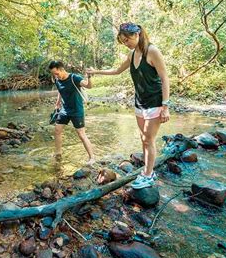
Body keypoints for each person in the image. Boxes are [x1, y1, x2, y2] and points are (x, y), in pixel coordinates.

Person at [87, 22, 170, 189]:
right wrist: (96, 72)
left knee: (149, 139)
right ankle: (148, 170)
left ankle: (148, 174)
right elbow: (117, 71)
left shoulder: (152, 51)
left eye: (128, 39)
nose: (126, 43)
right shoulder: (132, 54)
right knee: (143, 139)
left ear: (137, 34)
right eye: (123, 41)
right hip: (140, 102)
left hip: (154, 102)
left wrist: (165, 106)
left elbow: (165, 78)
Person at [48, 60, 96, 165]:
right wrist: (57, 103)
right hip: (64, 110)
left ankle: (92, 157)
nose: (55, 76)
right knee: (57, 130)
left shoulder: (74, 78)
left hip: (76, 110)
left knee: (81, 134)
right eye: (53, 74)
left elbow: (88, 86)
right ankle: (58, 153)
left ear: (62, 69)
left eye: (56, 73)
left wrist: (89, 77)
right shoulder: (57, 79)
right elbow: (60, 91)